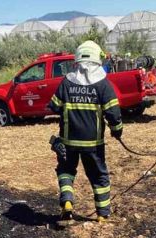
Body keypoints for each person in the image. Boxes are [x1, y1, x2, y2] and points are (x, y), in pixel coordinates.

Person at [48, 40, 123, 224]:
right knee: (98, 176)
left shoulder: (67, 82)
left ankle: (67, 202)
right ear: (98, 59)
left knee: (66, 171)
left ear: (77, 60)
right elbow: (113, 113)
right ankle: (102, 214)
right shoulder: (103, 85)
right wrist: (117, 131)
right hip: (93, 144)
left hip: (68, 142)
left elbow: (54, 106)